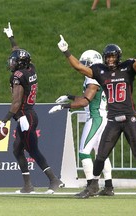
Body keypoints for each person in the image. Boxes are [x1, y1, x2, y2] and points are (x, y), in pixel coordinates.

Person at [56, 26, 136, 199]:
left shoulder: (127, 68)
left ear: (118, 57)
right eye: (108, 57)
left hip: (129, 118)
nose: (110, 59)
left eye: (113, 56)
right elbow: (79, 67)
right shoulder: (100, 72)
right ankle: (93, 185)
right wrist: (66, 52)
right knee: (101, 155)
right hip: (112, 120)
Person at [0, 22, 64, 194]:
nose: (11, 63)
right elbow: (19, 52)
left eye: (14, 61)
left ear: (19, 64)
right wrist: (11, 38)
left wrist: (3, 121)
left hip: (25, 116)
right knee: (17, 149)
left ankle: (54, 180)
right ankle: (28, 185)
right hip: (29, 114)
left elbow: (16, 103)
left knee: (32, 149)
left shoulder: (18, 76)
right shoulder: (31, 68)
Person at [49, 50, 114, 197]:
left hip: (96, 118)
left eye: (85, 63)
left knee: (84, 152)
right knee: (100, 153)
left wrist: (63, 107)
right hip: (102, 116)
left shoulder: (93, 79)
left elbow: (86, 100)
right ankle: (109, 186)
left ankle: (91, 186)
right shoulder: (99, 76)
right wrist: (69, 96)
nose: (83, 66)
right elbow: (87, 97)